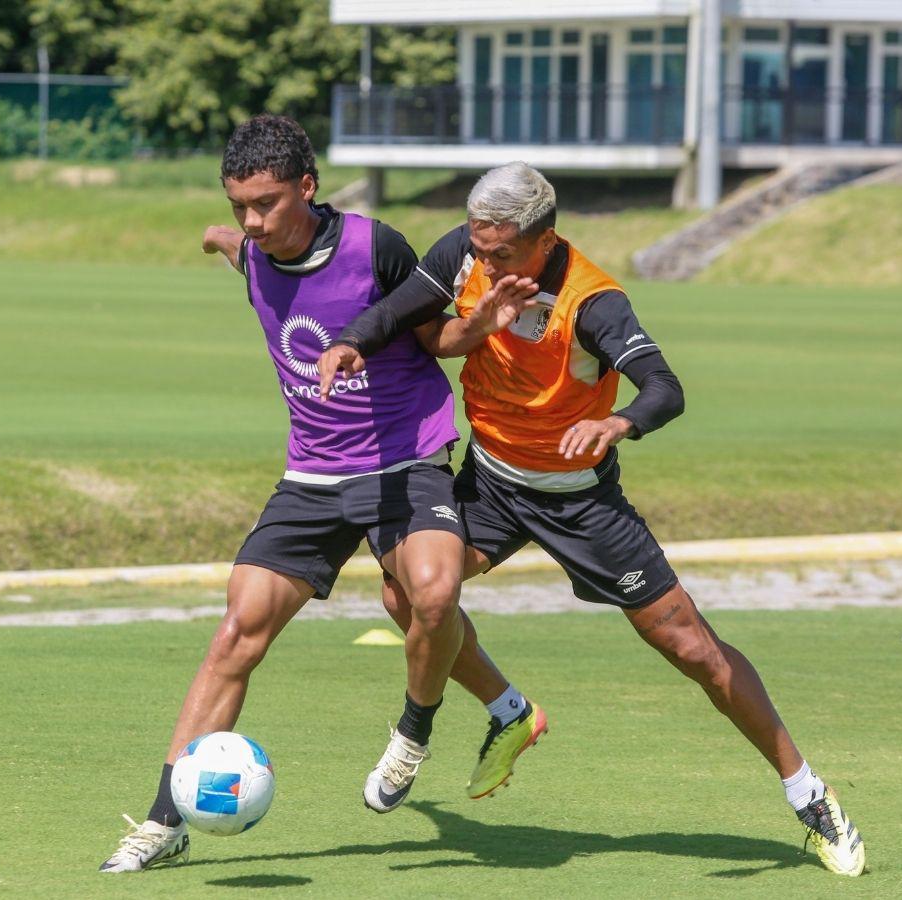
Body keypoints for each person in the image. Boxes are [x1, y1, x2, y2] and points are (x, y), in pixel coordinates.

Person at [317, 162, 867, 878]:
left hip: (581, 500)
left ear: (545, 240)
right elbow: (400, 309)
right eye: (480, 250)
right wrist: (351, 341)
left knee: (693, 649)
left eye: (502, 253)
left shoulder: (594, 300)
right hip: (491, 482)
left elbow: (665, 388)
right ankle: (502, 713)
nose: (486, 265)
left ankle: (810, 795)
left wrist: (619, 423)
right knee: (410, 594)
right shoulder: (466, 251)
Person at [99, 116, 531, 873]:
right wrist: (216, 236)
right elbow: (237, 249)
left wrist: (482, 325)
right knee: (237, 632)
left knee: (431, 595)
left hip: (404, 460)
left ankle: (413, 734)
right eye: (238, 206)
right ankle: (166, 822)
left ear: (308, 186)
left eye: (266, 204)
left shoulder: (376, 247)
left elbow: (434, 338)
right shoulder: (255, 251)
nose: (252, 222)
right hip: (311, 476)